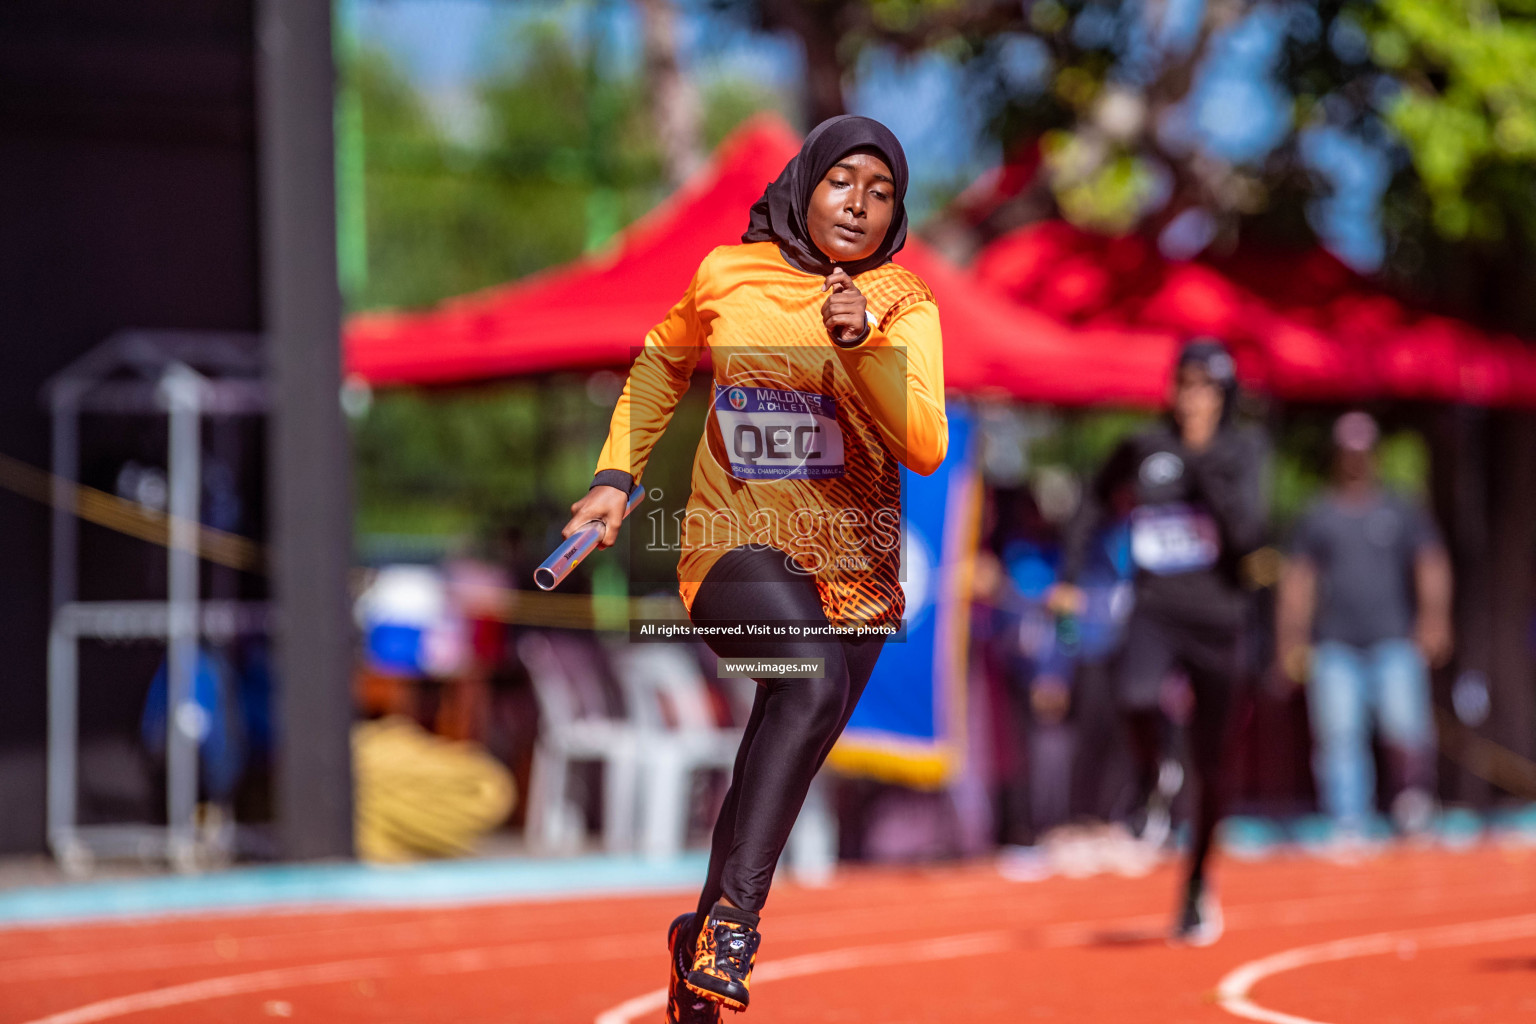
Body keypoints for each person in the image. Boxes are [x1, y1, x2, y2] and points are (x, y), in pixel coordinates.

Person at [561, 115, 946, 1021]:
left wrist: (861, 347)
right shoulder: (727, 273)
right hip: (731, 544)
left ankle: (696, 953)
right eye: (842, 180)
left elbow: (925, 442)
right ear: (804, 183)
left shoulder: (903, 303)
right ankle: (734, 924)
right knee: (806, 688)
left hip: (855, 569)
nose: (858, 203)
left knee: (787, 748)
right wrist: (616, 476)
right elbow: (661, 363)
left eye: (880, 191)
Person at [1047, 338, 1269, 946]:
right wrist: (1069, 578)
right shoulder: (1144, 447)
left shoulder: (1243, 450)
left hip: (1219, 619)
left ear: (1225, 395)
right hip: (1154, 609)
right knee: (1135, 693)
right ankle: (1151, 773)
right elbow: (1095, 498)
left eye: (1206, 386)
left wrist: (1201, 462)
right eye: (1184, 383)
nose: (1191, 397)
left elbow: (1249, 536)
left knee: (1215, 765)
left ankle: (1197, 882)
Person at [1276, 411, 1452, 841]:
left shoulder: (1400, 508)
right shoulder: (1318, 514)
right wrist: (1291, 637)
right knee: (1338, 736)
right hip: (1335, 645)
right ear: (1337, 456)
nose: (1355, 460)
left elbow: (1429, 563)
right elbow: (1299, 579)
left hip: (1393, 639)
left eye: (1362, 452)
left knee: (1405, 727)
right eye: (1347, 452)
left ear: (1373, 454)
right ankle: (1348, 821)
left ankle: (1413, 804)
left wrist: (1434, 619)